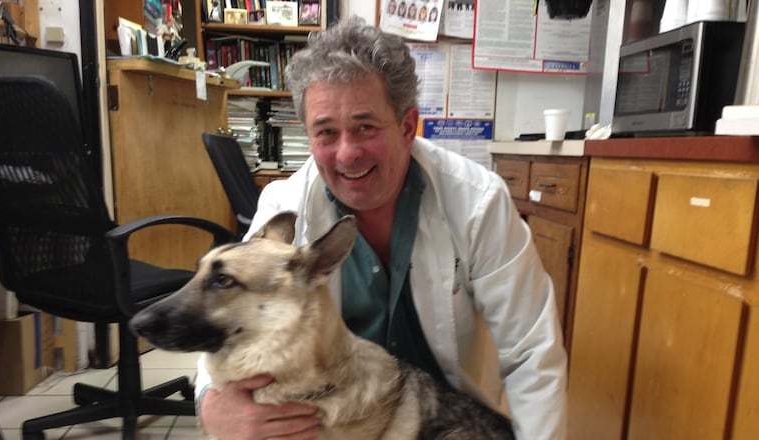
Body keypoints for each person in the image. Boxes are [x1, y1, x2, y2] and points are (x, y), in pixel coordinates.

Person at [195, 17, 568, 440]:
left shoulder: (479, 202)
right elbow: (221, 306)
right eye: (326, 133)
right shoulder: (286, 206)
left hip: (446, 422)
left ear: (407, 126)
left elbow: (531, 353)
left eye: (365, 127)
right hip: (341, 421)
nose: (347, 153)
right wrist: (211, 402)